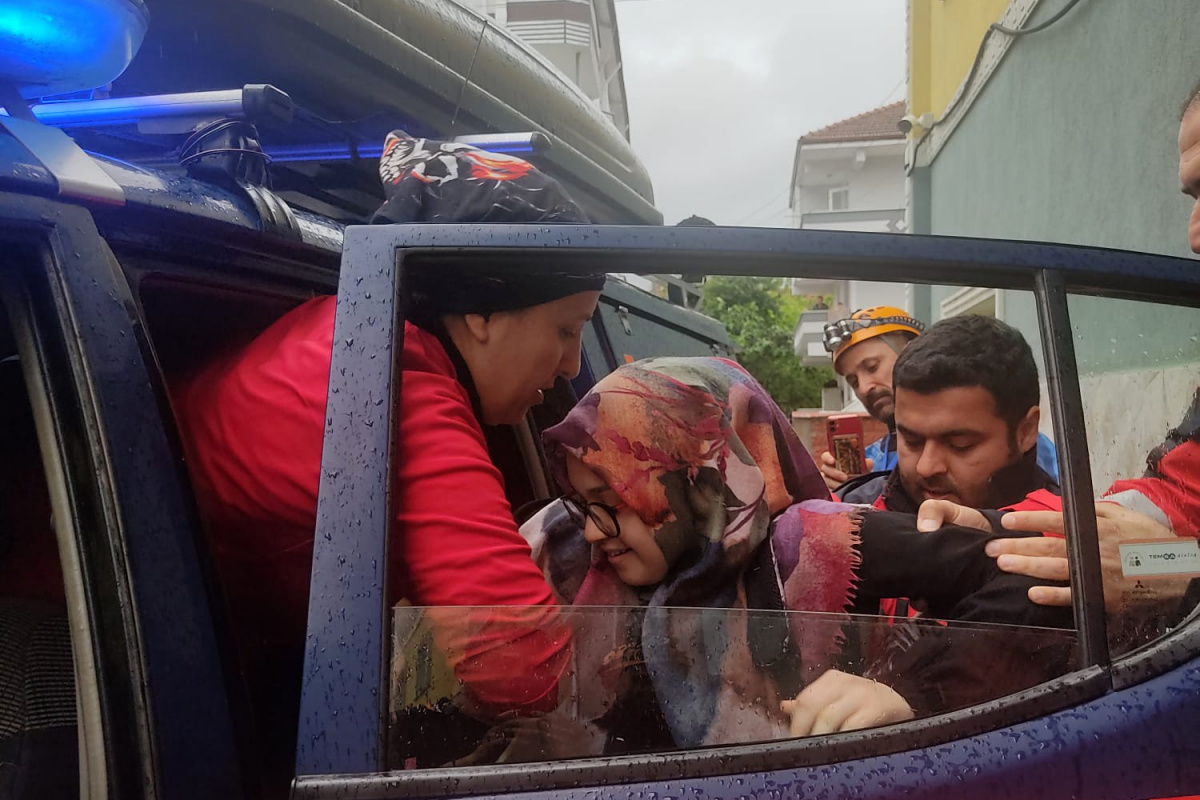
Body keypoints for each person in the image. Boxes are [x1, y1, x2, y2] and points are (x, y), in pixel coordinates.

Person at [171, 132, 598, 775]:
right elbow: (520, 665)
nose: (570, 365)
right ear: (482, 312)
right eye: (566, 329)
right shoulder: (398, 387)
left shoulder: (341, 328)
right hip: (77, 660)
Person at [519, 356, 1072, 755]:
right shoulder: (565, 560)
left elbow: (1032, 575)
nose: (591, 532)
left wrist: (912, 696)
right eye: (583, 504)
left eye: (617, 500)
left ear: (700, 479)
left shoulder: (814, 544)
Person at [818, 306, 1060, 491]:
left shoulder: (1030, 451)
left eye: (960, 444)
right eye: (912, 442)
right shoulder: (870, 460)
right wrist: (848, 491)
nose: (864, 387)